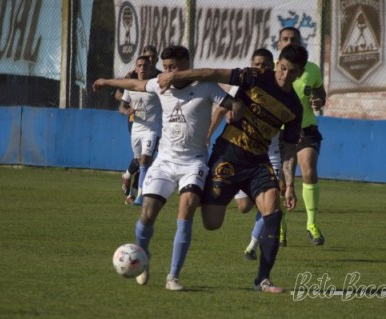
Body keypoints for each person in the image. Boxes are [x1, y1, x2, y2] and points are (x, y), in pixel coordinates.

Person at [158, 44, 307, 293]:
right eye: (282, 68)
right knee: (211, 223)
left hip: (258, 162)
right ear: (277, 63)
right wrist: (175, 75)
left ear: (300, 73)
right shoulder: (255, 76)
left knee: (273, 211)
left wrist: (290, 184)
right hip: (228, 154)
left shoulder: (294, 107)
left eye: (292, 72)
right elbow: (212, 74)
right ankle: (199, 185)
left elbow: (289, 149)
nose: (285, 75)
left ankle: (263, 280)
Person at [93, 45, 240, 291]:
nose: (168, 72)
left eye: (174, 67)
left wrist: (235, 112)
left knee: (187, 209)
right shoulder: (159, 84)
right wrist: (107, 81)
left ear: (186, 66)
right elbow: (135, 86)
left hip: (193, 162)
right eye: (166, 67)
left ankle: (173, 276)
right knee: (147, 214)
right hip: (165, 162)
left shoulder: (204, 86)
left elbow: (232, 102)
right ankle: (143, 259)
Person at [206, 48, 282, 261]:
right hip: (237, 153)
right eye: (257, 64)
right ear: (251, 64)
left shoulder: (281, 91)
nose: (261, 68)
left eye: (265, 64)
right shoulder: (242, 85)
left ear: (273, 67)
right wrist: (208, 135)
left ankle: (252, 245)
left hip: (269, 154)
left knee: (270, 203)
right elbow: (221, 109)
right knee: (243, 206)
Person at [275, 26, 327, 247]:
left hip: (306, 129)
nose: (288, 42)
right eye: (284, 39)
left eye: (293, 39)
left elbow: (320, 92)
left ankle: (312, 224)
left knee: (309, 170)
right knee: (279, 182)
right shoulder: (274, 70)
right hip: (279, 132)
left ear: (300, 42)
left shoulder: (311, 70)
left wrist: (319, 100)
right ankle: (280, 227)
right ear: (279, 44)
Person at [118, 45, 163, 205]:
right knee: (139, 160)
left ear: (154, 63)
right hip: (136, 126)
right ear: (136, 68)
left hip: (153, 128)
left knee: (145, 161)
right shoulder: (130, 82)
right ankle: (128, 178)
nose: (144, 67)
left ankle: (139, 196)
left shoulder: (159, 81)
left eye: (148, 63)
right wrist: (126, 110)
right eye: (140, 65)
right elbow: (121, 102)